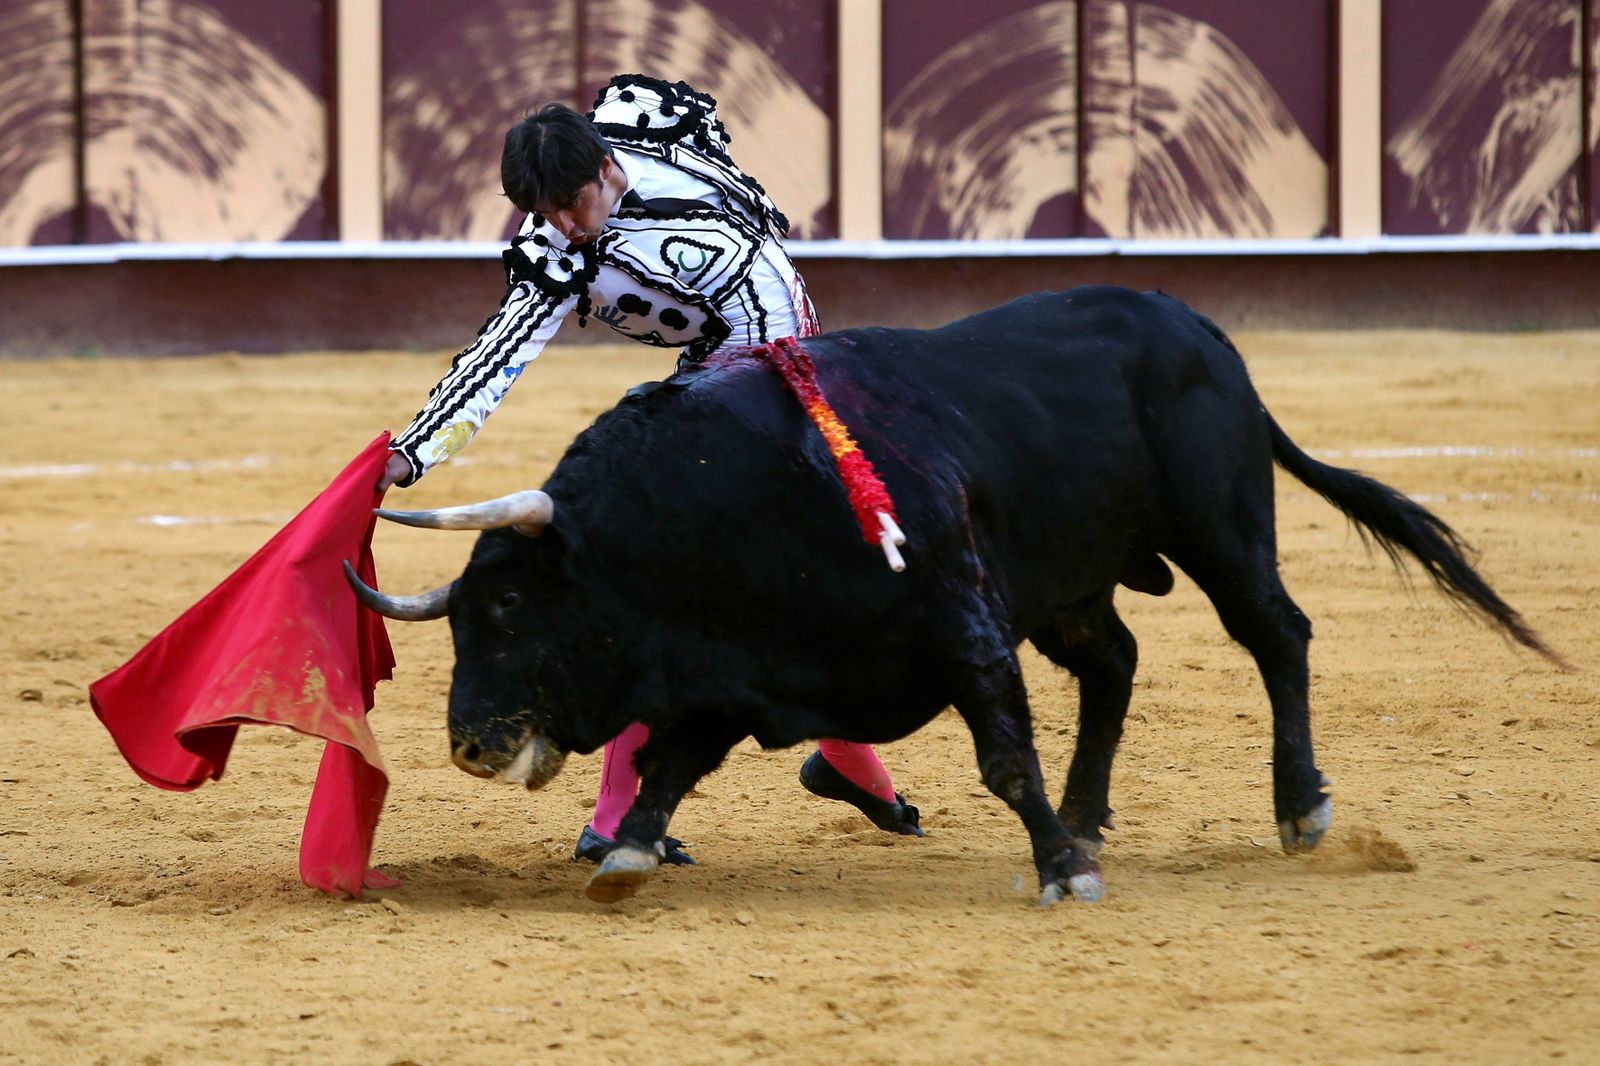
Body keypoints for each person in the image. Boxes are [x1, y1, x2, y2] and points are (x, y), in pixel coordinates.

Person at [380, 74, 922, 864]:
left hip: (787, 375)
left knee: (770, 586)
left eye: (572, 205)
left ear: (607, 167)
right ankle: (635, 816)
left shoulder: (663, 163)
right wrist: (412, 450)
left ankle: (830, 769)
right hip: (722, 382)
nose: (564, 227)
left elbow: (770, 300)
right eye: (545, 214)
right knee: (699, 589)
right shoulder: (559, 238)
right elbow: (500, 354)